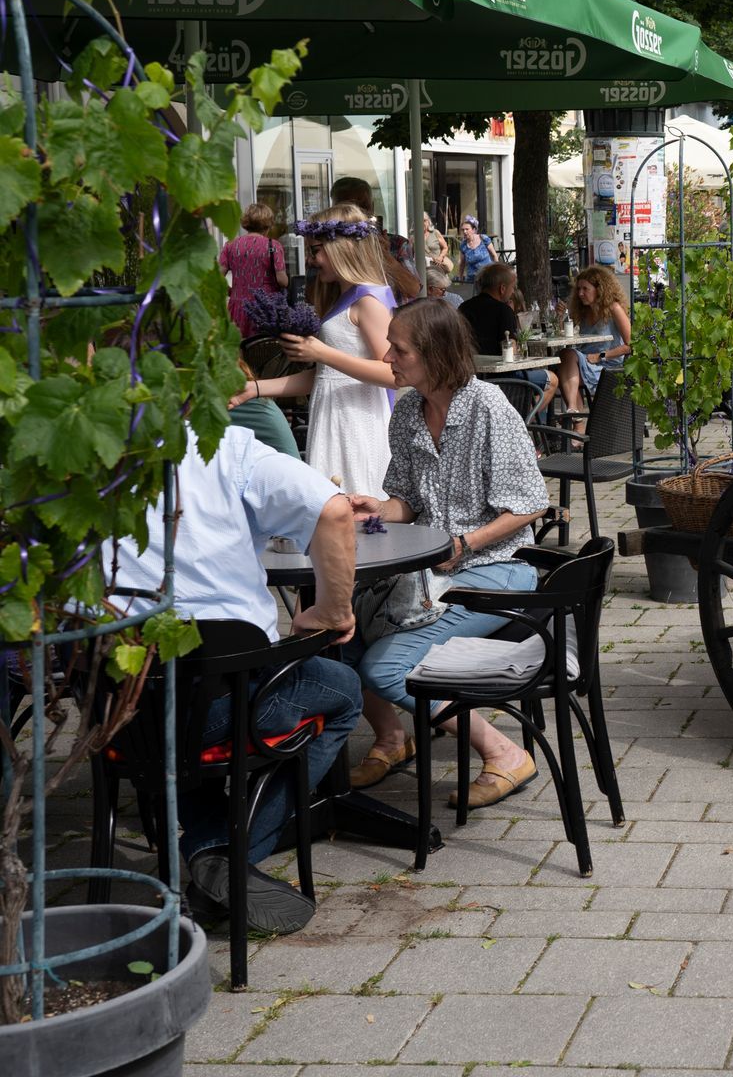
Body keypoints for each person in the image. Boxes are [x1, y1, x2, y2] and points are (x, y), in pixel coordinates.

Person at [109, 426, 360, 933]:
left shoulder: (58, 459)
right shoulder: (221, 446)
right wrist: (332, 611)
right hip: (221, 703)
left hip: (116, 714)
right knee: (342, 690)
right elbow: (334, 512)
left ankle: (213, 850)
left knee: (180, 719)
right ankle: (226, 853)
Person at [345, 299, 550, 806]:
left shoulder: (488, 407)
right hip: (433, 573)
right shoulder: (408, 412)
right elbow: (407, 502)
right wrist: (375, 509)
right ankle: (393, 737)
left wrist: (465, 544)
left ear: (435, 354)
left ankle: (505, 753)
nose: (387, 357)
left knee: (384, 667)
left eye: (399, 349)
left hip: (498, 568)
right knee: (338, 632)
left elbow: (530, 504)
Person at [241, 206, 398, 494]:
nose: (311, 260)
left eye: (316, 250)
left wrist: (321, 353)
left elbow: (394, 373)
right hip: (334, 420)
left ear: (343, 248)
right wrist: (255, 389)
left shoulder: (368, 300)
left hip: (356, 427)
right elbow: (326, 376)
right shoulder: (346, 297)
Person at [460, 263, 555, 415]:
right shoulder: (503, 311)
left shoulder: (464, 308)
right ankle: (522, 421)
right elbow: (511, 351)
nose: (513, 292)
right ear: (502, 288)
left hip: (471, 378)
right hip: (504, 379)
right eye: (512, 287)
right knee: (553, 380)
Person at [554, 264, 631, 422]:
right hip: (585, 361)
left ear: (599, 289)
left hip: (608, 365)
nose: (580, 293)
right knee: (562, 360)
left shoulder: (614, 308)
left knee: (565, 360)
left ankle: (575, 416)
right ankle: (574, 413)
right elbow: (563, 334)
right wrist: (560, 316)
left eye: (585, 289)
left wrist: (600, 355)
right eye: (578, 289)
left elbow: (630, 345)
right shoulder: (583, 311)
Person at [220, 203, 289, 337]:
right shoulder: (273, 246)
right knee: (263, 347)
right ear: (268, 224)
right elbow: (282, 281)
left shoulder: (230, 245)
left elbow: (217, 277)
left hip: (238, 306)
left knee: (239, 345)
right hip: (265, 308)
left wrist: (231, 292)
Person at [456, 216, 498, 283]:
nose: (464, 231)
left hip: (487, 277)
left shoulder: (483, 239)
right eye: (463, 230)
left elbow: (494, 255)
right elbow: (462, 263)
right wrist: (460, 279)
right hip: (471, 280)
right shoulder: (463, 245)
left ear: (473, 230)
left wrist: (496, 272)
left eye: (467, 229)